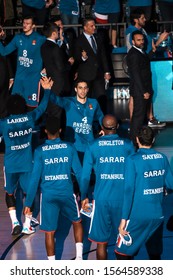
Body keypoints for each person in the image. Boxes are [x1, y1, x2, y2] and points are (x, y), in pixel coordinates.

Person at [24, 116, 83, 260]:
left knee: (49, 232)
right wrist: (85, 193)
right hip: (67, 193)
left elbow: (34, 179)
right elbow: (80, 173)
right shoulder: (69, 147)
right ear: (60, 130)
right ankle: (80, 258)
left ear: (45, 131)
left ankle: (52, 266)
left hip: (48, 196)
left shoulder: (39, 151)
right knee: (77, 222)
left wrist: (28, 203)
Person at [0, 77, 52, 235]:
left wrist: (7, 90)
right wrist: (47, 90)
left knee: (10, 193)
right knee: (29, 193)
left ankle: (14, 221)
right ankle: (27, 224)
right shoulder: (29, 119)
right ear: (23, 106)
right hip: (26, 164)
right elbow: (42, 108)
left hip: (10, 166)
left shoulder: (3, 123)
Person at [80, 114, 135, 259]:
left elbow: (85, 176)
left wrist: (84, 196)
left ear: (102, 128)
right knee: (124, 239)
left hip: (101, 199)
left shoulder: (92, 146)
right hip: (123, 199)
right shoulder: (128, 145)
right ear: (117, 127)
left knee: (101, 243)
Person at [115, 126, 173, 260]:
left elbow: (129, 190)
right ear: (153, 140)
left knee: (122, 254)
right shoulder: (162, 158)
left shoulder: (132, 159)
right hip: (157, 216)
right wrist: (163, 190)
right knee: (154, 254)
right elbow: (171, 184)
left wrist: (123, 220)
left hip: (137, 216)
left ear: (137, 139)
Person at [126, 8, 168, 127]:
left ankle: (149, 118)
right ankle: (133, 122)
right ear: (136, 19)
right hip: (136, 66)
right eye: (142, 18)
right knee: (135, 95)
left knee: (146, 92)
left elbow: (148, 49)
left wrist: (158, 43)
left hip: (144, 64)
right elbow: (133, 52)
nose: (145, 20)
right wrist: (159, 41)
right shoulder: (131, 32)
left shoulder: (142, 31)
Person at [126, 30, 165, 147]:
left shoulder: (140, 52)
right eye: (138, 40)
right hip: (140, 91)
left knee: (141, 117)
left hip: (144, 89)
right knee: (138, 117)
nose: (141, 42)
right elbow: (136, 75)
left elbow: (145, 61)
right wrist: (144, 92)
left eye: (142, 39)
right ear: (133, 41)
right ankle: (134, 142)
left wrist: (154, 49)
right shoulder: (133, 54)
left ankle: (139, 141)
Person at [50, 79, 104, 162]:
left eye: (85, 88)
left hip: (89, 144)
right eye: (80, 88)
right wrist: (48, 90)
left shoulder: (94, 103)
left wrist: (103, 127)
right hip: (73, 145)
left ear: (88, 89)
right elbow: (55, 99)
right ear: (76, 89)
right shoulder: (69, 102)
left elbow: (100, 116)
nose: (83, 91)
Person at [0, 16, 46, 109]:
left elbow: (50, 49)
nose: (25, 25)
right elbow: (4, 52)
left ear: (33, 26)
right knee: (15, 106)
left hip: (33, 79)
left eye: (28, 23)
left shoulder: (40, 39)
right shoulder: (18, 38)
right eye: (24, 23)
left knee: (31, 108)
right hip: (19, 79)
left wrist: (46, 67)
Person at [74, 17, 111, 114]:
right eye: (91, 26)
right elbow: (76, 58)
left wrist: (107, 71)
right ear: (85, 27)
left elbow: (103, 55)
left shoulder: (98, 38)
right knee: (86, 99)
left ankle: (102, 120)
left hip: (99, 74)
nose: (94, 27)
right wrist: (83, 58)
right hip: (86, 75)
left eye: (94, 25)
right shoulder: (79, 40)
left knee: (102, 98)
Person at [41, 22, 70, 121]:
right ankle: (57, 132)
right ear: (53, 33)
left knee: (52, 107)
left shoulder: (43, 46)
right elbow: (61, 67)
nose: (58, 33)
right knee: (57, 109)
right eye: (57, 32)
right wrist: (70, 63)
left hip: (50, 81)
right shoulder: (54, 47)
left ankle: (51, 131)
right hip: (58, 82)